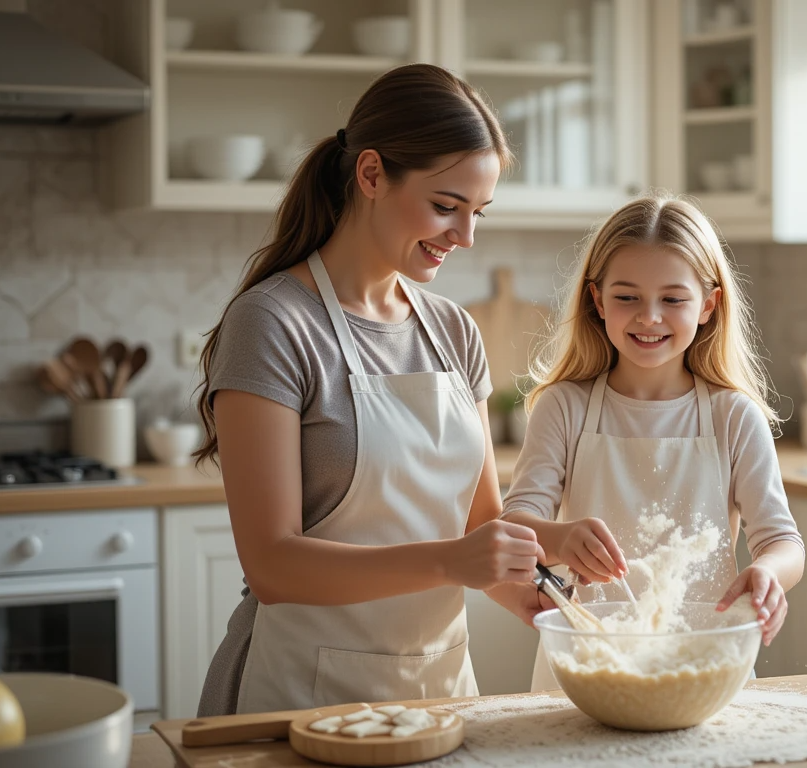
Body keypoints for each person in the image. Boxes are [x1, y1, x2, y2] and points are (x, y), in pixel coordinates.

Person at [192, 64, 552, 716]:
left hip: (439, 698)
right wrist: (453, 562)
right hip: (296, 701)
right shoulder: (273, 323)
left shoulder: (452, 329)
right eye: (446, 206)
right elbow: (273, 567)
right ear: (371, 175)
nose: (465, 237)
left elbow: (479, 529)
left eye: (477, 212)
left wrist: (544, 576)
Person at [501, 194, 805, 691]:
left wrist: (770, 573)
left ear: (708, 305)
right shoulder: (565, 407)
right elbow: (514, 527)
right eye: (627, 297)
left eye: (672, 298)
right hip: (588, 661)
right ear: (597, 301)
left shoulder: (733, 417)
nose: (649, 317)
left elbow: (782, 541)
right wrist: (557, 539)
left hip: (702, 661)